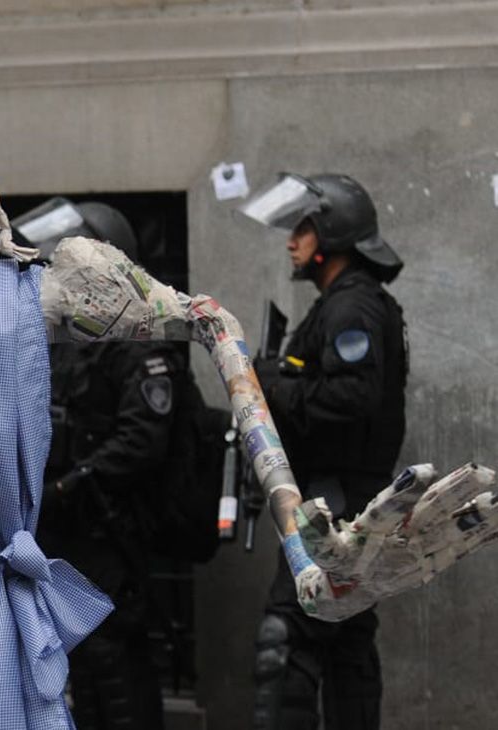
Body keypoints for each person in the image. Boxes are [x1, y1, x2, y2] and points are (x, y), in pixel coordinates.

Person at [241, 173, 407, 730]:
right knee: (345, 642)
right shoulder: (342, 303)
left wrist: (270, 383)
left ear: (332, 233)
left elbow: (352, 397)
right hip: (341, 493)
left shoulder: (352, 307)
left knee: (287, 635)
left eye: (303, 229)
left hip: (335, 496)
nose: (292, 241)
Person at [25, 200, 173, 729]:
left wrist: (73, 483)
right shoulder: (67, 338)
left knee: (115, 659)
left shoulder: (134, 340)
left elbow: (142, 438)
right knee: (82, 655)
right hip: (70, 530)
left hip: (111, 526)